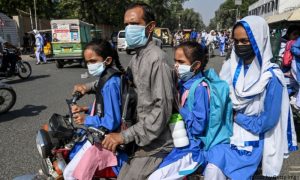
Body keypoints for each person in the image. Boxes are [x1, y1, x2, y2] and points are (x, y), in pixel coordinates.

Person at [204, 16, 298, 180]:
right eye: (236, 41)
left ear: (259, 40)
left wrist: (236, 116)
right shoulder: (229, 68)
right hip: (226, 138)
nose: (239, 46)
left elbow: (267, 121)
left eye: (245, 41)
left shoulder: (271, 78)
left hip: (255, 146)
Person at [101, 2, 177, 179]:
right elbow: (122, 81)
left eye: (134, 24)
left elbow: (162, 110)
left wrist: (124, 136)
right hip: (140, 138)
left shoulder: (156, 59)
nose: (128, 29)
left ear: (150, 27)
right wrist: (89, 88)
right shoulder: (137, 58)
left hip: (156, 144)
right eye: (126, 25)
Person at [63, 39, 127, 180]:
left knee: (70, 174)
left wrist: (87, 119)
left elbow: (111, 121)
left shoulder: (110, 83)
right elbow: (105, 107)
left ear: (108, 60)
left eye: (93, 61)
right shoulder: (108, 77)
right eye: (87, 62)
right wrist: (85, 109)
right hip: (99, 135)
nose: (89, 65)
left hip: (104, 139)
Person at [149, 41, 209, 179]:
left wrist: (180, 108)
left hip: (191, 150)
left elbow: (199, 127)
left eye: (181, 62)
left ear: (196, 65)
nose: (176, 65)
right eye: (175, 61)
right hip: (176, 143)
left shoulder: (200, 89)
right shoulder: (181, 83)